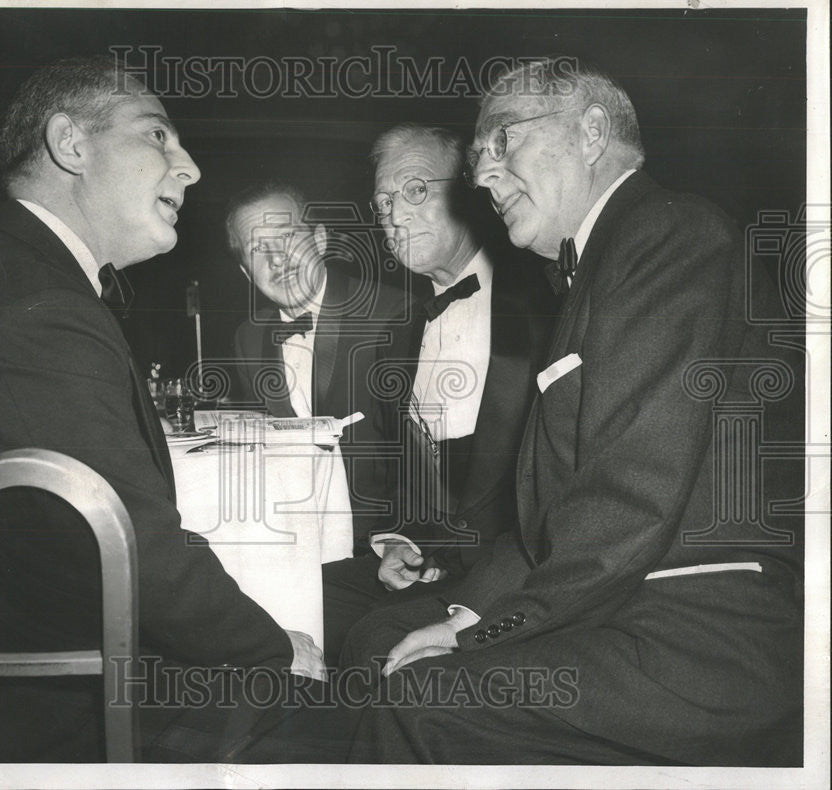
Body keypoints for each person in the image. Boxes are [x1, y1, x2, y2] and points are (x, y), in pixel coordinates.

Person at [0, 55, 327, 763]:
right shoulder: (34, 308)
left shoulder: (2, 277)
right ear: (70, 144)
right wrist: (271, 646)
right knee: (348, 714)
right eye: (159, 135)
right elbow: (138, 555)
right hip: (32, 710)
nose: (189, 166)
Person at [341, 59, 804, 765]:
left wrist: (482, 631)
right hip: (621, 598)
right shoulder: (595, 268)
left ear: (592, 130)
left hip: (699, 629)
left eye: (503, 142)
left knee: (418, 699)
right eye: (477, 161)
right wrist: (471, 608)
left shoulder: (670, 235)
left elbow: (630, 497)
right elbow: (549, 520)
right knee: (375, 643)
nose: (485, 176)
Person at [321, 125, 555, 662]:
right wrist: (400, 541)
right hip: (437, 566)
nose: (394, 215)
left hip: (521, 578)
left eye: (416, 189)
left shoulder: (545, 305)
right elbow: (412, 475)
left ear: (470, 191)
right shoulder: (400, 334)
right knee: (301, 602)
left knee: (370, 647)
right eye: (382, 202)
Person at [227, 182, 422, 554]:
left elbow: (422, 460)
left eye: (286, 237)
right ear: (246, 272)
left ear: (318, 240)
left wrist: (398, 538)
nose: (277, 259)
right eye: (257, 248)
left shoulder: (394, 314)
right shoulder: (247, 339)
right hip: (290, 542)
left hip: (381, 545)